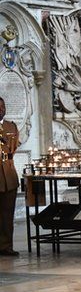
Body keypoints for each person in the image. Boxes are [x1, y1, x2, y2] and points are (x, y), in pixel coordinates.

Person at [0, 97, 20, 256]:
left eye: (3, 107)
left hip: (8, 176)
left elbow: (13, 148)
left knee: (8, 213)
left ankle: (6, 245)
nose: (1, 109)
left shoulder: (11, 126)